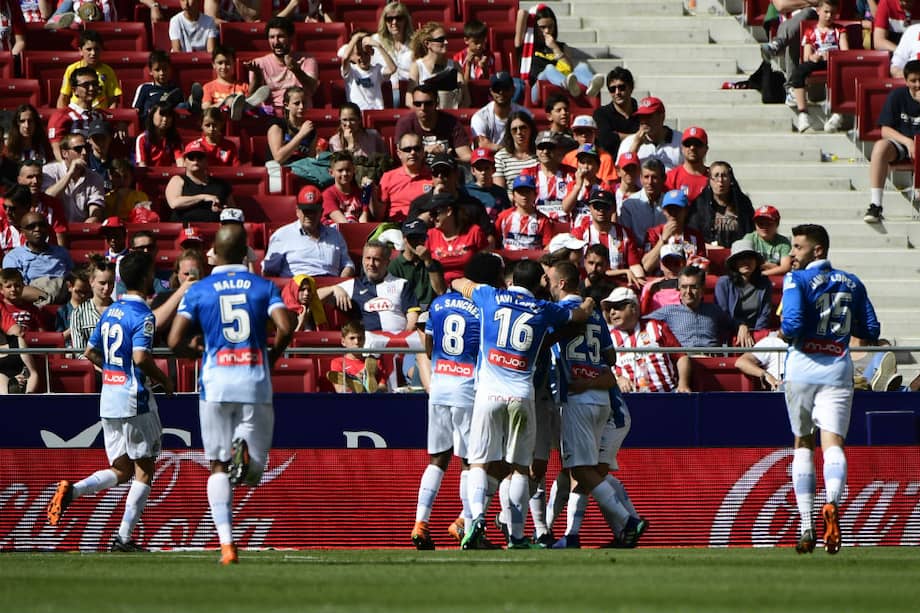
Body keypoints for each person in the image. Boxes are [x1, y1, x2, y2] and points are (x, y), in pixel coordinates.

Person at [168, 224, 292, 565]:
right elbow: (286, 325)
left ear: (215, 253)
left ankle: (227, 546)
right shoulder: (263, 286)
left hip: (215, 383)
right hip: (254, 380)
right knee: (254, 473)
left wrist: (196, 352)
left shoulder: (199, 290)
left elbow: (174, 341)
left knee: (217, 465)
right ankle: (247, 458)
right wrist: (272, 356)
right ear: (245, 253)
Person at [452, 259, 594, 549]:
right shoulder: (544, 309)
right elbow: (579, 315)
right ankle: (517, 536)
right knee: (519, 468)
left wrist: (472, 286)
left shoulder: (489, 296)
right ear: (539, 283)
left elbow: (457, 283)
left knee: (478, 462)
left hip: (488, 393)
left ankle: (475, 519)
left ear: (511, 279)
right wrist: (591, 299)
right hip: (521, 394)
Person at [45, 251, 174, 552]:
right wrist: (164, 380)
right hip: (134, 400)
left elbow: (89, 352)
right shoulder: (143, 315)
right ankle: (124, 538)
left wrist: (113, 370)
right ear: (145, 279)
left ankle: (73, 491)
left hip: (109, 399)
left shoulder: (109, 312)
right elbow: (141, 358)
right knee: (144, 470)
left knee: (122, 471)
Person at [780, 223, 880, 555]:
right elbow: (871, 327)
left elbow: (792, 324)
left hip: (801, 370)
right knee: (833, 443)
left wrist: (790, 334)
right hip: (838, 367)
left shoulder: (796, 279)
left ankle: (808, 525)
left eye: (798, 247)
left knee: (803, 443)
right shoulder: (853, 281)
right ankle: (833, 502)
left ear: (817, 250)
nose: (792, 253)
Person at [547, 261, 645, 549]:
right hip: (600, 399)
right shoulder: (597, 317)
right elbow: (611, 357)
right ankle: (571, 536)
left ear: (562, 282)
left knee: (582, 470)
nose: (548, 284)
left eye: (550, 279)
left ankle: (628, 521)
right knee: (583, 470)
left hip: (578, 398)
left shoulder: (560, 312)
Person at [411, 252, 502, 550]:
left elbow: (427, 343)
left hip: (439, 385)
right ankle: (467, 526)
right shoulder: (484, 307)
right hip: (467, 389)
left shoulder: (438, 303)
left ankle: (420, 524)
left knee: (437, 458)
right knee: (470, 462)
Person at [319, 240, 420, 333]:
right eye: (368, 258)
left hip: (399, 344)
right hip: (366, 347)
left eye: (376, 259)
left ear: (387, 263)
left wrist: (403, 342)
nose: (371, 264)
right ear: (362, 260)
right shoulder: (352, 286)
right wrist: (333, 288)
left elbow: (413, 319)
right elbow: (313, 298)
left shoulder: (401, 284)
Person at [604, 286, 691, 393]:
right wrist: (617, 379)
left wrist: (683, 384)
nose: (612, 312)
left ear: (634, 308)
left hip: (667, 395)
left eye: (617, 306)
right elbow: (602, 370)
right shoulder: (608, 338)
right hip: (630, 400)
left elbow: (681, 357)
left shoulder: (656, 326)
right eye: (609, 308)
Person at [864, 59, 920, 223]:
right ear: (906, 81)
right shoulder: (897, 95)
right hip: (903, 144)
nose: (917, 84)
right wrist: (908, 142)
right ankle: (876, 205)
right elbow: (885, 130)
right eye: (913, 81)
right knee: (880, 147)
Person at [514, 4, 604, 101]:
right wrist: (533, 14)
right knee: (549, 68)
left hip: (560, 83)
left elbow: (568, 69)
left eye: (550, 27)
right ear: (534, 27)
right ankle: (565, 84)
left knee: (582, 66)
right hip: (536, 89)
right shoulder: (527, 45)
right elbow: (521, 13)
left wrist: (555, 47)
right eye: (542, 27)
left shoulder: (562, 47)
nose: (547, 31)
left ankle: (591, 84)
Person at [262, 185, 355, 278]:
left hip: (331, 286)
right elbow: (268, 271)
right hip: (300, 287)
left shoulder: (335, 235)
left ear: (321, 212)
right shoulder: (282, 235)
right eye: (306, 211)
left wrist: (341, 282)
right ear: (297, 211)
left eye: (314, 211)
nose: (309, 215)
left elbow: (347, 264)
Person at [790, 0, 848, 133]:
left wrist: (834, 55)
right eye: (826, 12)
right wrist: (813, 57)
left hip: (835, 60)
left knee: (843, 71)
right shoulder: (810, 32)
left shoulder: (840, 30)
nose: (829, 16)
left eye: (832, 13)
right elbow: (806, 56)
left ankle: (838, 113)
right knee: (799, 71)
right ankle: (803, 113)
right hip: (818, 61)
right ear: (818, 11)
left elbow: (846, 52)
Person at [646, 265, 734, 349]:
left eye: (693, 287)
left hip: (712, 359)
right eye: (684, 287)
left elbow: (731, 325)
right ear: (679, 289)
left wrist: (741, 326)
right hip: (686, 360)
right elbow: (642, 322)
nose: (688, 292)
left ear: (702, 289)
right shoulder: (668, 311)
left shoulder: (715, 310)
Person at [571, 190, 645, 288]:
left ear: (613, 209)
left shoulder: (624, 234)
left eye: (605, 206)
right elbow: (571, 265)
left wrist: (640, 279)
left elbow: (634, 265)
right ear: (590, 208)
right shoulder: (580, 233)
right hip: (588, 286)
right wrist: (623, 271)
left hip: (617, 287)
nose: (601, 210)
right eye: (597, 206)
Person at [247, 16, 319, 113]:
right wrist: (258, 76)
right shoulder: (258, 64)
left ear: (291, 38)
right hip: (272, 115)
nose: (276, 42)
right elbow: (252, 98)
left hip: (300, 113)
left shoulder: (307, 60)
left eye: (280, 36)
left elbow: (312, 89)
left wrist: (296, 70)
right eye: (272, 37)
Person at [715, 238, 775, 348]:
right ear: (734, 263)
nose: (746, 262)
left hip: (756, 333)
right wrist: (740, 326)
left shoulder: (765, 283)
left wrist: (755, 335)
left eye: (750, 257)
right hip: (730, 332)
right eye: (741, 258)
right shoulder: (724, 283)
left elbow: (765, 315)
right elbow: (723, 314)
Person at [3, 211, 73, 305]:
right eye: (31, 227)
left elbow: (73, 279)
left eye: (42, 225)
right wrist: (48, 298)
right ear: (22, 231)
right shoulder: (13, 257)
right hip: (33, 300)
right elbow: (17, 288)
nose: (37, 229)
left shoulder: (61, 252)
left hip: (63, 294)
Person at [395, 84, 472, 165]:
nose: (423, 108)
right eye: (418, 104)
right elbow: (401, 156)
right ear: (413, 105)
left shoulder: (452, 123)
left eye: (428, 104)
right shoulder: (405, 124)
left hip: (446, 171)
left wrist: (448, 158)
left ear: (436, 103)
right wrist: (423, 151)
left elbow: (467, 157)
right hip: (417, 171)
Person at [687, 160, 755, 248]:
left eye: (724, 176)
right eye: (716, 176)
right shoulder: (699, 204)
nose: (720, 180)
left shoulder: (743, 203)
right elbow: (692, 238)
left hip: (738, 256)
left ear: (731, 179)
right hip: (707, 255)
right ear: (710, 180)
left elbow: (751, 234)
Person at [164, 140, 235, 223]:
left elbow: (233, 210)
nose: (195, 161)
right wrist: (203, 197)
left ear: (207, 161)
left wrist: (223, 210)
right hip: (185, 231)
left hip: (215, 230)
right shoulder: (177, 180)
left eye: (200, 157)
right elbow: (174, 203)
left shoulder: (221, 184)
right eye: (191, 157)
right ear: (184, 162)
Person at [47, 67, 108, 161]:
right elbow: (57, 150)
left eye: (94, 84)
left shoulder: (100, 115)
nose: (91, 88)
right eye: (86, 85)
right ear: (74, 90)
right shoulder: (61, 116)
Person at [0, 267, 45, 394]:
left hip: (25, 351)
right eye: (8, 286)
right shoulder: (2, 309)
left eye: (17, 285)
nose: (13, 289)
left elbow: (42, 334)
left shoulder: (32, 309)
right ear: (1, 289)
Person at [640, 189, 706, 276]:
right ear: (663, 211)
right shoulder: (653, 233)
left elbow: (702, 268)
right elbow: (646, 267)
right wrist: (663, 241)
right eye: (669, 209)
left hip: (686, 283)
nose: (673, 213)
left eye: (678, 209)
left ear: (686, 210)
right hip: (660, 283)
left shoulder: (695, 236)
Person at [406, 21, 467, 109]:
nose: (446, 42)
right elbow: (409, 100)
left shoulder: (455, 65)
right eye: (440, 40)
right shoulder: (417, 66)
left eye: (446, 38)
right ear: (427, 44)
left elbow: (466, 98)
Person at [201, 45, 271, 120]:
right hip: (218, 121)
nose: (224, 67)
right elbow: (205, 108)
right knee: (228, 104)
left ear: (233, 64)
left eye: (227, 63)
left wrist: (257, 75)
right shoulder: (208, 87)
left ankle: (242, 106)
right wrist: (224, 103)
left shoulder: (242, 85)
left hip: (240, 122)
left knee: (247, 100)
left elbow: (250, 95)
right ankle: (235, 106)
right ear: (213, 65)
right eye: (220, 63)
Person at [57, 30, 121, 110]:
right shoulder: (71, 69)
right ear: (80, 51)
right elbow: (64, 97)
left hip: (99, 115)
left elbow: (113, 100)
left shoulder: (108, 71)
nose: (93, 53)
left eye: (96, 49)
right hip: (76, 114)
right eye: (89, 49)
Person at [378, 132, 434, 222]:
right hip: (397, 228)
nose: (412, 152)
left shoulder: (434, 176)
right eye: (407, 149)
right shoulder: (388, 177)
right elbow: (379, 215)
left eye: (417, 148)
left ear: (423, 151)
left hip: (426, 227)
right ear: (399, 154)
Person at [616, 97, 682, 171]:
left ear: (662, 117)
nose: (644, 121)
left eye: (648, 116)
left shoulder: (680, 140)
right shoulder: (629, 142)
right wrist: (635, 146)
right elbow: (621, 173)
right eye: (641, 116)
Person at [387, 218, 439, 309]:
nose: (417, 242)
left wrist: (428, 262)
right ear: (404, 238)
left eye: (421, 238)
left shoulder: (433, 263)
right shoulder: (394, 266)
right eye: (412, 238)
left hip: (431, 309)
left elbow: (440, 291)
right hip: (406, 310)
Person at [523, 130, 574, 223]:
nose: (545, 151)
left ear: (558, 149)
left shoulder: (570, 173)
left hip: (565, 225)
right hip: (538, 225)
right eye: (541, 147)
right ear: (536, 150)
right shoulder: (528, 173)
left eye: (550, 147)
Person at [326, 319, 389, 393]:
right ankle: (356, 381)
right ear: (343, 342)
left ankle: (361, 383)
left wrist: (374, 391)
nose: (357, 342)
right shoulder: (338, 362)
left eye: (360, 338)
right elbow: (340, 390)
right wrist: (357, 377)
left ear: (364, 340)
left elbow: (383, 387)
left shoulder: (374, 362)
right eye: (352, 338)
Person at [471, 72, 529, 152]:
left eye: (505, 88)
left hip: (516, 158)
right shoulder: (481, 116)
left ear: (513, 90)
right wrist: (506, 151)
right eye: (497, 89)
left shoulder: (524, 114)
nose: (501, 92)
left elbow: (529, 140)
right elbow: (482, 144)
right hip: (488, 159)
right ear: (491, 91)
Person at [371, 2, 415, 107]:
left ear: (405, 20)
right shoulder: (376, 40)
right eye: (389, 19)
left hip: (409, 92)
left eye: (398, 18)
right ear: (384, 21)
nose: (394, 22)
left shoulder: (415, 43)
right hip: (382, 92)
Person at [341, 30, 397, 111]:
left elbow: (393, 69)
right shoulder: (351, 71)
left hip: (376, 112)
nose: (363, 58)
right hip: (357, 114)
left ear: (372, 52)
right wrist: (356, 38)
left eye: (366, 53)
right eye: (359, 54)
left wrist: (378, 46)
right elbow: (345, 57)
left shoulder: (377, 69)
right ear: (352, 56)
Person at [495, 174, 554, 251]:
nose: (524, 196)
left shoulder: (543, 220)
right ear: (513, 195)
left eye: (528, 192)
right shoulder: (503, 217)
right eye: (520, 192)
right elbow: (495, 241)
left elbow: (547, 246)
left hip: (534, 261)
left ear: (535, 195)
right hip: (508, 260)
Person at [69, 257, 115, 351]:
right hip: (89, 365)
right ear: (91, 282)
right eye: (102, 283)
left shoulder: (123, 311)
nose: (106, 288)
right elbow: (79, 352)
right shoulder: (78, 313)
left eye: (110, 283)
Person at [619, 158, 667, 245]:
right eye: (646, 177)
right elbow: (626, 238)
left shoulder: (670, 204)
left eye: (654, 177)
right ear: (640, 179)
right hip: (638, 252)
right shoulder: (629, 204)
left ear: (664, 178)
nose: (650, 182)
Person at [593, 68, 639, 156]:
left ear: (631, 87)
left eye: (621, 87)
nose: (617, 92)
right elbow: (606, 140)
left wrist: (617, 136)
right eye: (612, 89)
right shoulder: (601, 113)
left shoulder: (642, 114)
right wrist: (637, 137)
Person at [493, 111, 538, 195]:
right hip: (512, 203)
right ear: (510, 132)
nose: (519, 132)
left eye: (523, 128)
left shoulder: (540, 154)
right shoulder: (501, 157)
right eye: (514, 129)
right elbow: (500, 191)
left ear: (530, 129)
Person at [321, 151, 371, 224]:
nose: (344, 174)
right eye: (340, 170)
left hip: (357, 231)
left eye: (348, 170)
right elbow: (343, 223)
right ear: (331, 172)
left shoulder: (360, 192)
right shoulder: (327, 195)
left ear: (354, 170)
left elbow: (365, 220)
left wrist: (369, 190)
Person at [562, 115, 616, 183]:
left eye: (588, 131)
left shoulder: (605, 158)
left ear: (595, 134)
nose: (584, 135)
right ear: (574, 136)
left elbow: (607, 185)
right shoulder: (568, 157)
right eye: (580, 131)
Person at [464, 147, 511, 223]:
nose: (483, 172)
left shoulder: (501, 192)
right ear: (473, 171)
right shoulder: (465, 192)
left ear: (493, 169)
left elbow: (507, 217)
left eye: (487, 168)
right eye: (479, 169)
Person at [744, 205, 792, 277]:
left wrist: (761, 274)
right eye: (760, 224)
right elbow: (744, 263)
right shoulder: (749, 238)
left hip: (774, 278)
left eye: (769, 224)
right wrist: (775, 267)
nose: (764, 227)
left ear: (777, 224)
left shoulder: (783, 242)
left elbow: (786, 267)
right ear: (755, 225)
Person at [665, 127, 710, 202]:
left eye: (697, 144)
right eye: (688, 144)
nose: (692, 148)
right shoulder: (671, 177)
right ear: (682, 148)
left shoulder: (713, 178)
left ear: (706, 149)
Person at [134, 102, 184, 168]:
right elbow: (142, 165)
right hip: (148, 176)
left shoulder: (175, 137)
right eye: (162, 115)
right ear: (152, 115)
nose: (165, 119)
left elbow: (180, 161)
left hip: (169, 175)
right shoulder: (142, 138)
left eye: (168, 116)